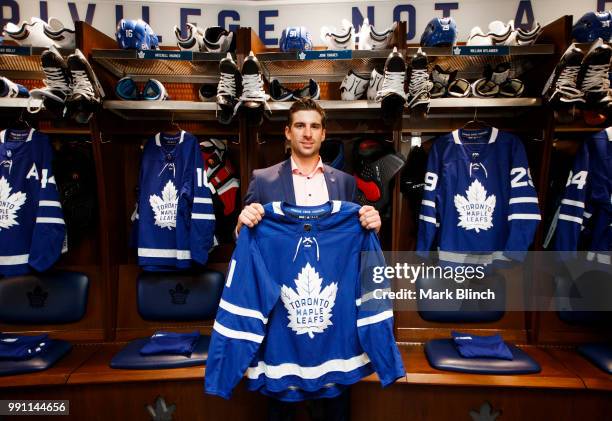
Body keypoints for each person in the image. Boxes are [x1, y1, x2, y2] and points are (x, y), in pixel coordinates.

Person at [234, 98, 381, 421]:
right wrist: (244, 221)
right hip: (282, 314)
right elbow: (244, 239)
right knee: (281, 409)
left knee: (333, 407)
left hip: (330, 316)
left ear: (324, 134)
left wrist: (372, 223)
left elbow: (353, 241)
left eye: (314, 126)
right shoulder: (264, 179)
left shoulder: (343, 181)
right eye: (300, 125)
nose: (307, 133)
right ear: (287, 132)